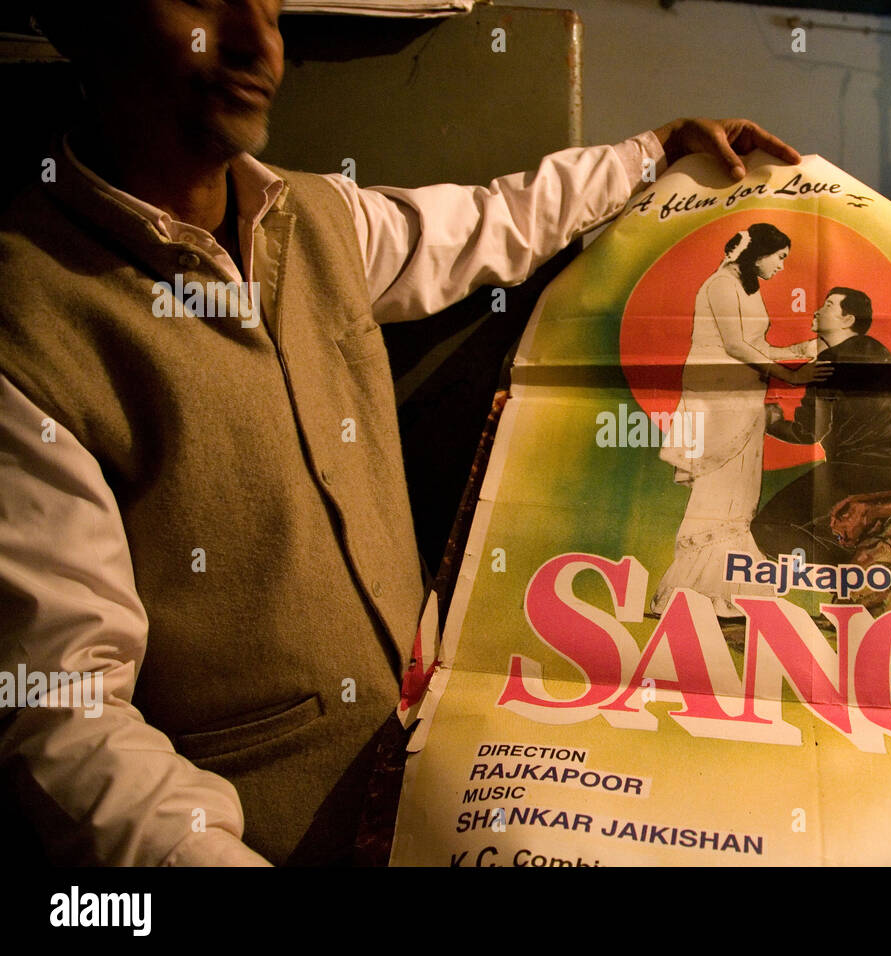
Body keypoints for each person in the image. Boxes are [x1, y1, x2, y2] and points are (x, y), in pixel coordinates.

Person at [0, 0, 801, 865]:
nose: (257, 39)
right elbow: (69, 714)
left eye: (268, 0)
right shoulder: (29, 324)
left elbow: (498, 221)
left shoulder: (316, 221)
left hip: (435, 798)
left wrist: (651, 152)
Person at [650, 223, 824, 618]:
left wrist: (802, 349)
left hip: (745, 398)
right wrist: (792, 375)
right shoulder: (720, 285)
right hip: (718, 399)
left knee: (741, 493)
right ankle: (690, 593)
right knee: (719, 491)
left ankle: (725, 594)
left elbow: (755, 344)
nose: (782, 266)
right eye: (780, 257)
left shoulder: (747, 287)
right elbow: (732, 344)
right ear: (758, 252)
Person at [751, 287, 891, 564]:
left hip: (859, 469)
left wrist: (772, 422)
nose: (817, 310)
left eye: (829, 305)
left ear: (847, 320)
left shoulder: (830, 361)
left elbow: (808, 432)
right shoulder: (878, 350)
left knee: (768, 526)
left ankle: (838, 570)